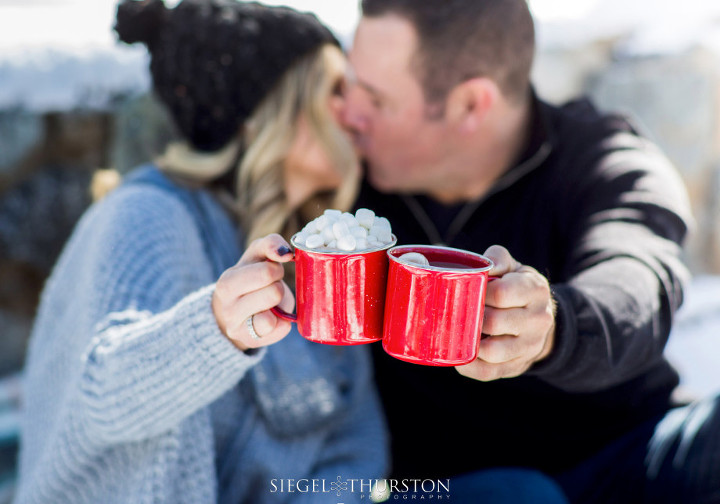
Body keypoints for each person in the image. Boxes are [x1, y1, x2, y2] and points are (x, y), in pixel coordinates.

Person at [342, 0, 720, 502]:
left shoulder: (601, 160)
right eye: (348, 86)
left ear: (471, 105)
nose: (348, 113)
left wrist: (552, 326)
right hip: (452, 485)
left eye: (376, 99)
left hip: (625, 455)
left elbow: (638, 279)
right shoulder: (345, 177)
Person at [13, 1, 388, 503]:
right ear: (264, 113)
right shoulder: (148, 214)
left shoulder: (319, 246)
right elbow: (103, 392)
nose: (358, 114)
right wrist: (216, 330)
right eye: (335, 91)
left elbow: (355, 436)